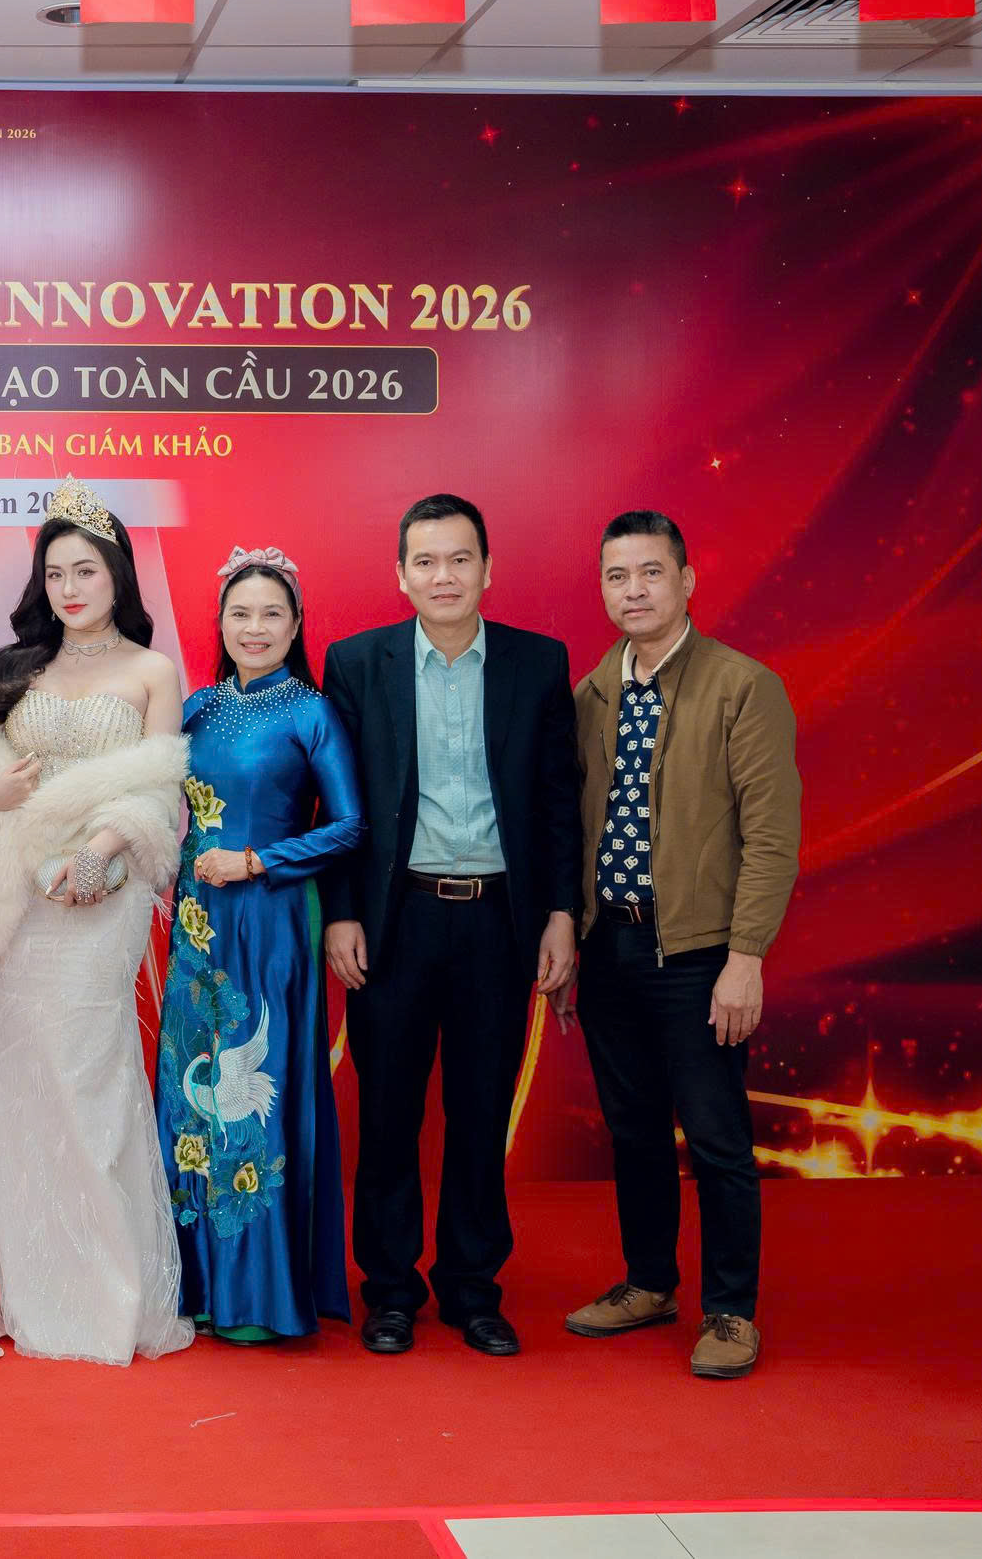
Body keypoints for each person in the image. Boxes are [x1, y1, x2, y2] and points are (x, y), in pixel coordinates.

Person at [0, 475, 193, 1366]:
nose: (71, 587)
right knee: (28, 1078)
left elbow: (162, 786)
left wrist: (105, 850)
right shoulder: (17, 669)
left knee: (91, 1074)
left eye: (86, 569)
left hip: (103, 893)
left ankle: (112, 1289)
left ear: (118, 574)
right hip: (25, 894)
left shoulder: (152, 671)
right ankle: (38, 1289)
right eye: (55, 573)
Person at [322, 493, 580, 1360]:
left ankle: (473, 1289)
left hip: (499, 922)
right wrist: (342, 912)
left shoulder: (536, 664)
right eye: (426, 561)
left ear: (487, 568)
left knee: (479, 1112)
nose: (444, 576)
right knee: (388, 1114)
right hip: (396, 921)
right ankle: (391, 1290)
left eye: (460, 559)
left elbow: (558, 799)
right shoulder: (358, 663)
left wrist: (560, 913)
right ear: (400, 574)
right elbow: (337, 804)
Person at [560, 510, 798, 1380]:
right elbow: (573, 826)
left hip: (699, 953)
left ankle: (730, 1309)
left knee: (716, 1135)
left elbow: (772, 838)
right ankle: (650, 1281)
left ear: (687, 580)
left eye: (651, 572)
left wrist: (746, 957)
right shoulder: (591, 695)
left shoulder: (743, 686)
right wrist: (571, 935)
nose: (635, 591)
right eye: (617, 576)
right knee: (633, 1130)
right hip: (609, 947)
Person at [155, 546, 365, 1342]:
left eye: (271, 613)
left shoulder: (310, 711)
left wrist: (256, 860)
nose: (255, 627)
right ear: (220, 623)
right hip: (197, 922)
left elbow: (349, 824)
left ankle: (260, 1293)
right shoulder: (197, 708)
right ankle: (199, 1282)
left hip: (271, 915)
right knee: (190, 1091)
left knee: (252, 1082)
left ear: (296, 623)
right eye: (240, 613)